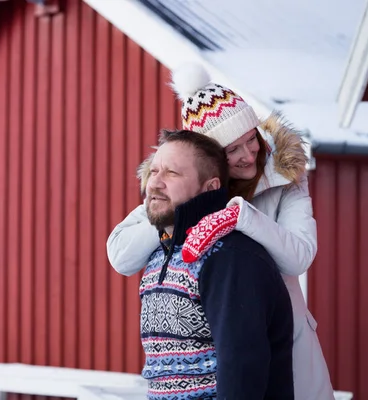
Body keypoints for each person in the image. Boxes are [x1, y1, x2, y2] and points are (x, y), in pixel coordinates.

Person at [107, 63, 334, 400]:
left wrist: (240, 215)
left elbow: (297, 257)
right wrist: (180, 213)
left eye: (251, 139)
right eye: (232, 149)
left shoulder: (286, 179)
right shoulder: (180, 185)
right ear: (211, 161)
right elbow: (121, 255)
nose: (249, 155)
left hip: (286, 345)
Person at [139, 128, 294, 400]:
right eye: (153, 171)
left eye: (172, 173)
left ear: (210, 187)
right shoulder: (159, 255)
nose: (155, 183)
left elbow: (242, 372)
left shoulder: (230, 256)